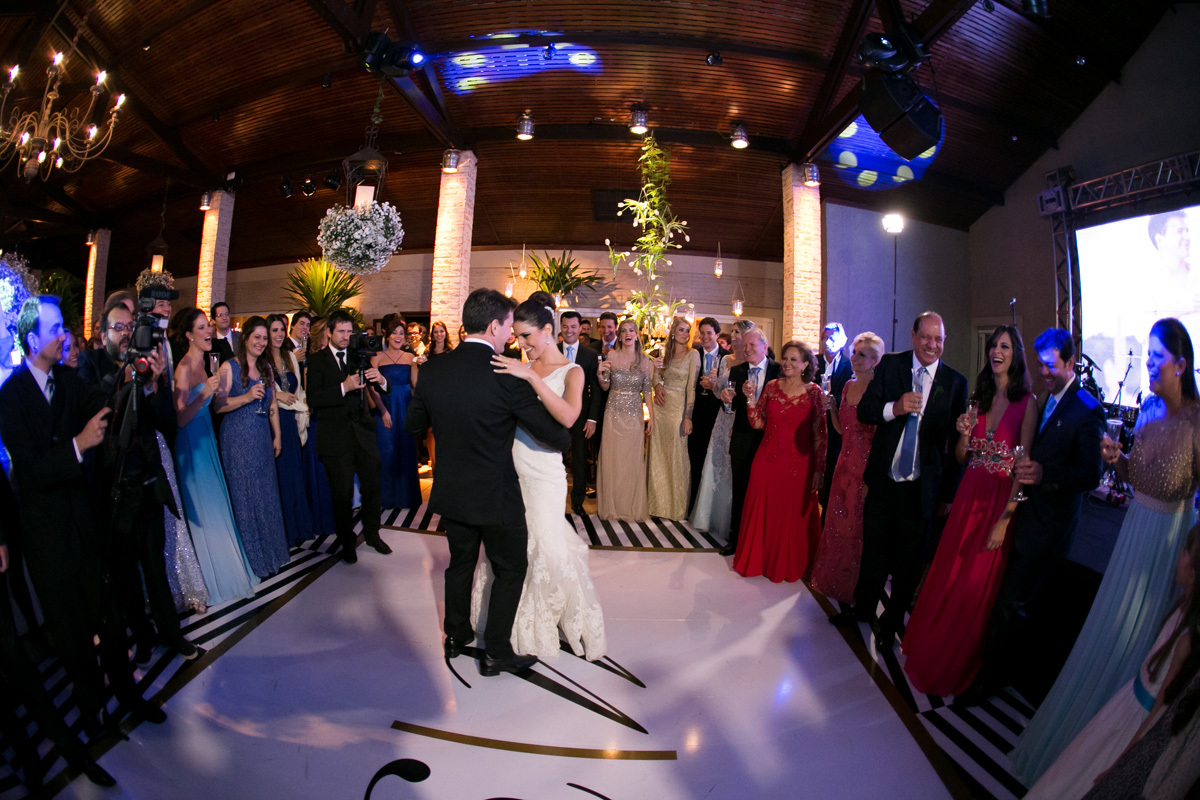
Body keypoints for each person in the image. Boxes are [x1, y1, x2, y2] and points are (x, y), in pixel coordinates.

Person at [1012, 317, 1200, 783]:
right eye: (1149, 357)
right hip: (1135, 529)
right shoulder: (1152, 408)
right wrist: (1122, 460)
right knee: (1114, 626)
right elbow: (1141, 479)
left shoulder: (1197, 419)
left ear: (1182, 363)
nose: (1149, 365)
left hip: (1170, 537)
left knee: (1147, 631)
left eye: (1156, 358)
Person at [0, 296, 166, 732]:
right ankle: (93, 710)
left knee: (107, 616)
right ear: (32, 339)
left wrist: (136, 374)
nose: (65, 337)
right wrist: (78, 445)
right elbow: (33, 469)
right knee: (72, 632)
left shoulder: (68, 381)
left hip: (84, 522)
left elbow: (105, 396)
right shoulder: (9, 397)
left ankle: (129, 697)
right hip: (47, 535)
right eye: (56, 329)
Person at [406, 288, 570, 676]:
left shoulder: (432, 369)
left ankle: (455, 634)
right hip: (497, 496)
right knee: (511, 569)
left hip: (452, 491)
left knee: (460, 563)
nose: (512, 335)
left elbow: (414, 426)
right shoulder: (508, 374)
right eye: (510, 327)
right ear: (495, 325)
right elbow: (558, 437)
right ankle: (496, 650)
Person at [958, 328, 1105, 706]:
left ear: (1071, 363)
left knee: (1010, 605)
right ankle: (997, 669)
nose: (1044, 371)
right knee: (1005, 602)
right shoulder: (1046, 398)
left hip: (1048, 528)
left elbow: (1090, 475)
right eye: (1039, 364)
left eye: (1051, 365)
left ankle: (989, 680)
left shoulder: (1087, 409)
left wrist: (1045, 475)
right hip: (1024, 516)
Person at [901, 325, 1035, 695]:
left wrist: (1005, 521)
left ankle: (955, 663)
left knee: (973, 589)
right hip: (969, 494)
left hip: (998, 502)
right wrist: (962, 433)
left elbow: (1022, 472)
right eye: (994, 345)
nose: (997, 351)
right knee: (949, 577)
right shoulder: (979, 396)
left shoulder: (1027, 402)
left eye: (1005, 346)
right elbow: (962, 456)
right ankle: (928, 650)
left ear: (1016, 354)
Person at [471, 297, 607, 660]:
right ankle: (506, 619)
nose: (522, 344)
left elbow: (567, 418)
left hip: (545, 474)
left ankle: (545, 617)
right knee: (512, 549)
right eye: (516, 336)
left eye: (527, 336)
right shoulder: (519, 365)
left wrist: (531, 375)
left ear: (548, 330)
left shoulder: (573, 372)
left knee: (545, 546)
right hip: (511, 470)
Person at [1024, 523, 1198, 800]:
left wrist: (1123, 761)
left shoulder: (1187, 639)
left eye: (1186, 552)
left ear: (1195, 571)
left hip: (1135, 723)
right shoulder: (1181, 607)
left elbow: (1160, 710)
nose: (1179, 554)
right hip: (1127, 704)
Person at [77, 299, 203, 663]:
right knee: (126, 574)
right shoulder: (94, 369)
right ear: (102, 336)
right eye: (118, 328)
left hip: (147, 483)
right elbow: (96, 412)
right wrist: (128, 379)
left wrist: (153, 384)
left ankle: (171, 634)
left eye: (130, 327)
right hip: (113, 491)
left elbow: (165, 421)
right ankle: (143, 637)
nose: (126, 333)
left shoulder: (147, 368)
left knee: (156, 567)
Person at [841, 312, 968, 648]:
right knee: (874, 552)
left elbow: (957, 444)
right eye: (926, 337)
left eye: (939, 339)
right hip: (884, 481)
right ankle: (863, 609)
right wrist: (894, 408)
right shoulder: (891, 366)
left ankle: (892, 622)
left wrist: (949, 493)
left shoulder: (955, 383)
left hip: (922, 487)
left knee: (909, 563)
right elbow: (866, 411)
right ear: (913, 336)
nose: (932, 345)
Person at [173, 308, 258, 605]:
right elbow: (181, 418)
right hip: (192, 446)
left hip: (208, 437)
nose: (208, 331)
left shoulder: (210, 364)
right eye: (201, 328)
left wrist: (216, 390)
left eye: (207, 326)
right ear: (188, 335)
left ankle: (230, 568)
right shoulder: (183, 368)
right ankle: (209, 580)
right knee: (206, 508)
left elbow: (214, 405)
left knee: (218, 505)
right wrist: (203, 394)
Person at [733, 340, 826, 582]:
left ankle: (786, 564)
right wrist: (750, 399)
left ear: (805, 364)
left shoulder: (815, 392)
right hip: (767, 460)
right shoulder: (773, 386)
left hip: (799, 465)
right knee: (763, 509)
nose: (786, 363)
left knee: (790, 515)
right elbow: (758, 423)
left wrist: (820, 470)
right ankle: (759, 561)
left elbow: (819, 435)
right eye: (785, 358)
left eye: (793, 359)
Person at [307, 309, 393, 562]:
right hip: (335, 438)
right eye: (341, 331)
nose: (346, 336)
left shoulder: (359, 355)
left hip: (364, 434)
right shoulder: (317, 360)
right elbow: (313, 398)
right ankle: (347, 542)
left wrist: (382, 380)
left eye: (349, 331)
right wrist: (343, 387)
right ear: (329, 333)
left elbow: (378, 389)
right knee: (342, 494)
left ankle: (373, 534)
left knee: (372, 488)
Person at [810, 332, 884, 607]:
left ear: (875, 360)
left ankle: (856, 587)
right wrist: (831, 409)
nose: (855, 358)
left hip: (865, 467)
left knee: (858, 527)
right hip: (844, 463)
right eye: (854, 353)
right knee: (836, 521)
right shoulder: (847, 386)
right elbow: (844, 430)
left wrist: (871, 478)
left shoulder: (879, 390)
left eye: (862, 354)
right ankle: (832, 579)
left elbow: (879, 437)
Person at [214, 316, 290, 578]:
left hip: (260, 436)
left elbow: (272, 405)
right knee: (245, 496)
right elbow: (218, 405)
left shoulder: (266, 367)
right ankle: (252, 560)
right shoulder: (229, 367)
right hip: (237, 438)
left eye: (264, 338)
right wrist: (246, 397)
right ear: (245, 338)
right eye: (256, 337)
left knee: (266, 494)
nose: (261, 342)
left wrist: (277, 436)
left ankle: (272, 554)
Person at [691, 320, 753, 541]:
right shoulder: (726, 359)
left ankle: (732, 522)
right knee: (714, 463)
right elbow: (719, 393)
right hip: (722, 418)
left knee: (732, 467)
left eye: (738, 332)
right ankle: (709, 517)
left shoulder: (751, 362)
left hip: (740, 420)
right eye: (733, 331)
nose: (734, 335)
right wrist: (715, 386)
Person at [720, 328, 779, 556]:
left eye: (752, 345)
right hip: (743, 439)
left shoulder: (779, 371)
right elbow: (731, 408)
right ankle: (737, 540)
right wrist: (726, 401)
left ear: (765, 346)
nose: (747, 349)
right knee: (741, 489)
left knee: (768, 492)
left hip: (771, 440)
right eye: (744, 346)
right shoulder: (737, 371)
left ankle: (765, 540)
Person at [596, 319, 654, 522]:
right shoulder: (611, 355)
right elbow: (605, 386)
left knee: (631, 461)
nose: (627, 334)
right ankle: (612, 507)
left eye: (631, 330)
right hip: (612, 412)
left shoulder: (644, 360)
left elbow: (647, 391)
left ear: (637, 334)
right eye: (623, 331)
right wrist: (600, 376)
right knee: (613, 460)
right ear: (619, 336)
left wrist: (651, 418)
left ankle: (629, 507)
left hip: (634, 415)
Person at [268, 313, 314, 546]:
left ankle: (299, 528)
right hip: (271, 423)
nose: (278, 334)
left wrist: (301, 414)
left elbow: (298, 391)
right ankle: (282, 532)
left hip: (292, 420)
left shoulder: (289, 357)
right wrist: (275, 395)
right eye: (273, 330)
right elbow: (257, 389)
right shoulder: (261, 360)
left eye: (280, 330)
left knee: (296, 474)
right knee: (280, 477)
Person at [648, 316, 700, 519]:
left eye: (687, 331)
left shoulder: (692, 354)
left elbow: (692, 388)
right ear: (672, 331)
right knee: (658, 456)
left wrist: (688, 416)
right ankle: (656, 506)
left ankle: (676, 508)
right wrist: (658, 385)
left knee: (677, 457)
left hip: (678, 409)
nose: (684, 334)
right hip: (660, 409)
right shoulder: (664, 352)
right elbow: (655, 374)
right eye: (681, 330)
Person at [371, 314, 421, 510]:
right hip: (386, 406)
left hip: (405, 407)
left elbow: (416, 385)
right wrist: (383, 411)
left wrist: (422, 365)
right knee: (386, 451)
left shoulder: (410, 358)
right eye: (395, 333)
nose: (399, 337)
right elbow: (372, 388)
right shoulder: (377, 358)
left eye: (402, 333)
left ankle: (407, 497)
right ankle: (387, 498)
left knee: (406, 450)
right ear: (386, 334)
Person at [558, 310, 603, 516]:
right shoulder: (553, 351)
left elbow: (595, 389)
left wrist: (592, 418)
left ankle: (577, 500)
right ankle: (554, 499)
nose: (569, 330)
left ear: (580, 329)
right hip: (555, 414)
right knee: (554, 457)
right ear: (561, 327)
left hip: (581, 415)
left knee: (579, 459)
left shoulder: (590, 355)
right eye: (565, 326)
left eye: (573, 326)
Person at [688, 317, 729, 513]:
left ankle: (710, 508)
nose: (704, 337)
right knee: (695, 458)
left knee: (713, 460)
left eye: (709, 333)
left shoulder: (727, 358)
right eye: (702, 333)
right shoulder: (692, 354)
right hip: (695, 414)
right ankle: (693, 503)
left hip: (716, 415)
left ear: (717, 335)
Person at [302, 317, 337, 537]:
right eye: (330, 331)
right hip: (318, 421)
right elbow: (311, 396)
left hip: (334, 420)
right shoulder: (313, 361)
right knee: (322, 472)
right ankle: (323, 518)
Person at [817, 322, 854, 521]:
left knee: (829, 479)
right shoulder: (812, 362)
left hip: (835, 430)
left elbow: (850, 398)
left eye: (833, 338)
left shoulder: (849, 366)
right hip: (812, 428)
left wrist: (833, 400)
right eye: (825, 338)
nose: (828, 342)